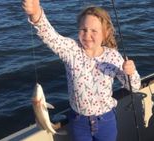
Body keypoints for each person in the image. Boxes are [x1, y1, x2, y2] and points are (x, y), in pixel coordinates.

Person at [22, 0, 141, 141]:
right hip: (79, 122)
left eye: (94, 31)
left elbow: (133, 86)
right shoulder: (71, 50)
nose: (87, 35)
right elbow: (50, 37)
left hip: (106, 121)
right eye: (83, 30)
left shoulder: (113, 56)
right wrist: (36, 14)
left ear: (105, 33)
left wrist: (131, 72)